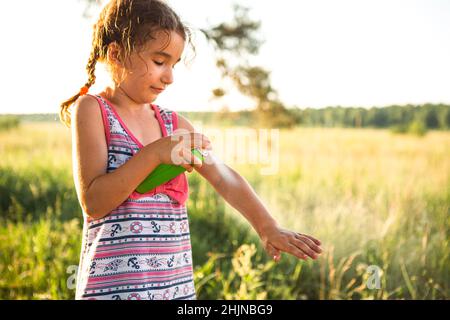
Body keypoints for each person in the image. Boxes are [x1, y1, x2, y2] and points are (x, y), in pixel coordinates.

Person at [60, 0, 322, 300]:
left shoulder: (174, 124)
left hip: (173, 288)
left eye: (174, 64)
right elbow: (94, 202)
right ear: (116, 53)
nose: (169, 76)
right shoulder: (93, 110)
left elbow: (224, 177)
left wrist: (267, 227)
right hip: (113, 289)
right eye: (159, 62)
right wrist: (154, 154)